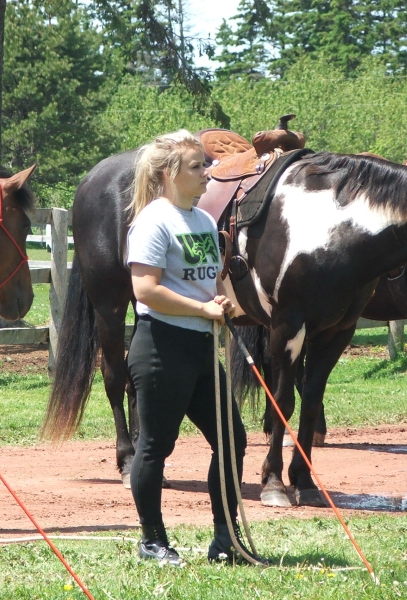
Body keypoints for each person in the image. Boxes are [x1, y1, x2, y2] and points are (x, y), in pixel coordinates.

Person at [126, 129, 261, 567]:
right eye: (197, 166)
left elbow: (213, 278)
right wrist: (203, 310)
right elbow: (145, 290)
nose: (208, 173)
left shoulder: (203, 220)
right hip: (161, 347)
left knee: (232, 440)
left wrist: (223, 301)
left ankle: (226, 539)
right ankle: (153, 542)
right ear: (169, 173)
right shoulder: (152, 220)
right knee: (154, 448)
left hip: (202, 347)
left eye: (206, 164)